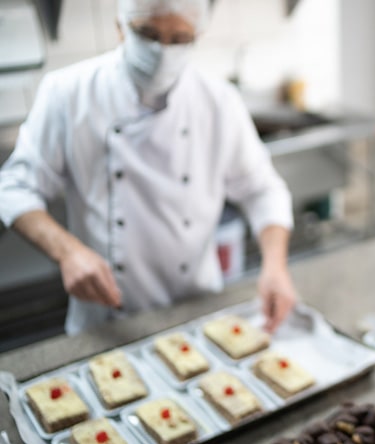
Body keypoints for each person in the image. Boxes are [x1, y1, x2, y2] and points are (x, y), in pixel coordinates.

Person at [0, 0, 297, 335]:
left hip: (197, 313)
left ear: (197, 35)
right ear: (119, 27)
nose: (162, 51)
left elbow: (262, 190)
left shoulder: (218, 101)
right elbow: (14, 187)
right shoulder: (68, 93)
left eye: (179, 39)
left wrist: (275, 266)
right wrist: (67, 252)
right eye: (148, 33)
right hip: (107, 322)